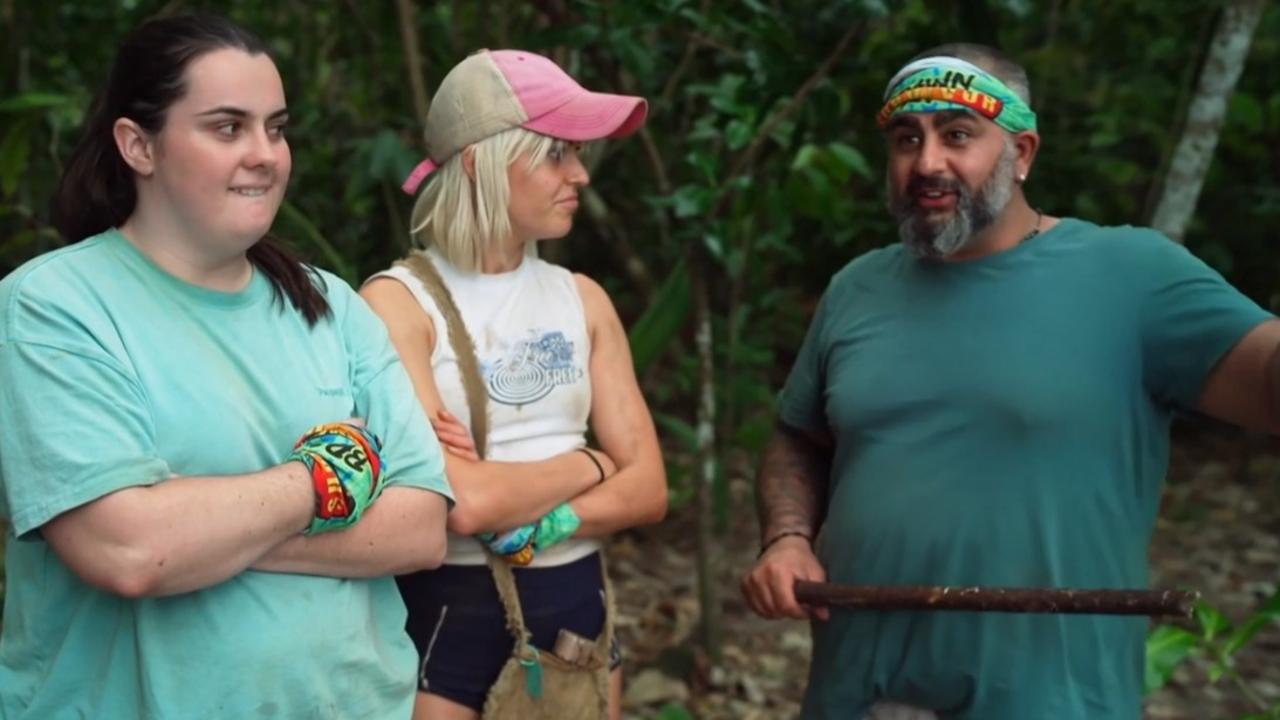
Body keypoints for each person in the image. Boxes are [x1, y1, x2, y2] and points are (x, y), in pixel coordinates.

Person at [740, 42, 1280, 720]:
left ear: (1022, 153)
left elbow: (1266, 382)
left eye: (958, 135)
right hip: (859, 692)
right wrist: (786, 537)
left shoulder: (1131, 273)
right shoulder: (857, 287)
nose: (928, 162)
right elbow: (798, 435)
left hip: (1052, 700)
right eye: (908, 139)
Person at [0, 15, 453, 719]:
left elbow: (420, 528)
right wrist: (330, 474)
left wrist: (203, 522)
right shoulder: (52, 306)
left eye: (276, 128)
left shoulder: (331, 304)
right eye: (226, 127)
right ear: (138, 146)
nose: (265, 154)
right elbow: (128, 551)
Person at [360, 49, 667, 720]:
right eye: (557, 152)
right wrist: (594, 460)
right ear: (481, 160)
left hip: (580, 614)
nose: (579, 174)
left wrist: (547, 520)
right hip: (450, 616)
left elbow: (649, 489)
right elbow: (461, 505)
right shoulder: (397, 303)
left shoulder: (582, 298)